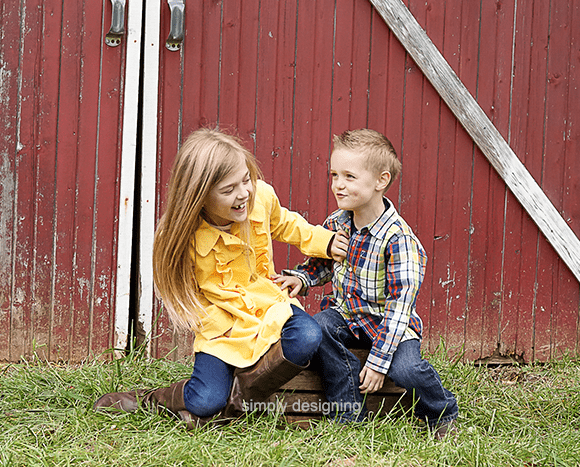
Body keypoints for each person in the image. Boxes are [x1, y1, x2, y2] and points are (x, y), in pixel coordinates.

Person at [93, 128, 346, 428]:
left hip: (267, 309)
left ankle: (232, 410)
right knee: (204, 400)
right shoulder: (184, 238)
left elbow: (288, 225)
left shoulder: (260, 198)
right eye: (228, 190)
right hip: (222, 325)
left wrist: (325, 242)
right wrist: (216, 326)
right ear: (198, 197)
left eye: (246, 180)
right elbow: (186, 297)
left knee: (307, 336)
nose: (243, 194)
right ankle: (152, 399)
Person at [276, 129, 458, 439]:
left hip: (389, 325)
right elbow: (324, 263)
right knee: (320, 325)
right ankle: (347, 410)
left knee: (406, 371)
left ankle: (440, 410)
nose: (338, 184)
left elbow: (400, 307)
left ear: (380, 181)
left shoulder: (399, 239)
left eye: (349, 176)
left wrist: (377, 363)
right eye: (334, 174)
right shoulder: (338, 222)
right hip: (347, 315)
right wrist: (302, 278)